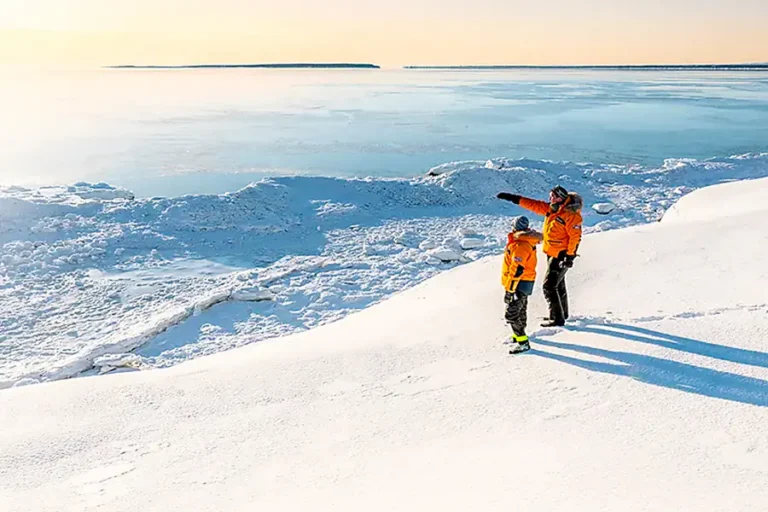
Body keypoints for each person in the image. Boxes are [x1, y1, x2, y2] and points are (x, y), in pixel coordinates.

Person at [497, 185, 583, 327]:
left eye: (554, 196)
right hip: (551, 252)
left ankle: (557, 319)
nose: (551, 199)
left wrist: (570, 256)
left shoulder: (571, 215)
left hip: (561, 255)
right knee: (558, 284)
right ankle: (562, 314)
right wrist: (514, 198)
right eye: (550, 196)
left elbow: (575, 237)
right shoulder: (552, 209)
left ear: (562, 198)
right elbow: (533, 205)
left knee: (549, 286)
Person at [501, 216, 543, 354]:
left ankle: (523, 342)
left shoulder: (520, 244)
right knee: (521, 309)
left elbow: (517, 269)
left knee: (511, 314)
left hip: (518, 282)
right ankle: (518, 335)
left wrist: (510, 290)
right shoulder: (525, 241)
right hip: (525, 281)